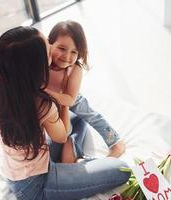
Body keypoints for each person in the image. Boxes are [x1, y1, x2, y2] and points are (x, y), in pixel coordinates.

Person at [0, 26, 130, 200]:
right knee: (122, 169)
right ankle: (74, 162)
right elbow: (61, 136)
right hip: (36, 186)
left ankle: (70, 159)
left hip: (16, 171)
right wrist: (64, 100)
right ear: (36, 67)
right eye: (49, 51)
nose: (55, 54)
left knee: (78, 118)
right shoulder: (43, 104)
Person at [45, 20, 125, 157]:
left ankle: (115, 142)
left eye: (74, 52)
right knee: (61, 131)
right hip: (50, 101)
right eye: (62, 48)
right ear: (49, 44)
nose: (67, 56)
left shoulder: (75, 68)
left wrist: (44, 92)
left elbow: (69, 99)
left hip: (69, 97)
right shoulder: (43, 60)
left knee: (92, 116)